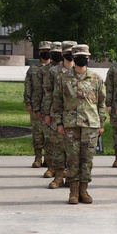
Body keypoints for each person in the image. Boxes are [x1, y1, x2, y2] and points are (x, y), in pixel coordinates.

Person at [52, 44, 106, 205]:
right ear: (73, 58)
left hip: (91, 124)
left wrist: (101, 123)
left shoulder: (96, 78)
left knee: (87, 159)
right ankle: (73, 192)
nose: (83, 59)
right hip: (70, 124)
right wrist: (59, 122)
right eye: (79, 56)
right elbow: (57, 102)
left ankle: (84, 190)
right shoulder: (63, 78)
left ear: (88, 58)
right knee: (73, 159)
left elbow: (102, 102)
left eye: (85, 56)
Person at [43, 41, 76, 189]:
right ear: (63, 54)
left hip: (76, 116)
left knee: (73, 148)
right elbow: (48, 94)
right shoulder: (54, 71)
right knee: (57, 146)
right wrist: (47, 113)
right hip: (58, 114)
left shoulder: (80, 71)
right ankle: (58, 176)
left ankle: (71, 176)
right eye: (68, 52)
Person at [34, 42, 61, 176]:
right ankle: (50, 167)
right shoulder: (44, 70)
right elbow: (38, 91)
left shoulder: (68, 71)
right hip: (48, 108)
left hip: (63, 110)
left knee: (63, 141)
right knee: (49, 139)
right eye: (54, 53)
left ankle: (63, 168)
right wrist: (39, 109)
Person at [23, 41, 52, 169]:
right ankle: (38, 158)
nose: (45, 52)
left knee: (50, 134)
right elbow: (27, 86)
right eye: (43, 50)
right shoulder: (33, 68)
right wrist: (28, 102)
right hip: (36, 105)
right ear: (39, 52)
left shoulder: (55, 68)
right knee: (37, 133)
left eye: (48, 50)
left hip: (51, 106)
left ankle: (49, 159)